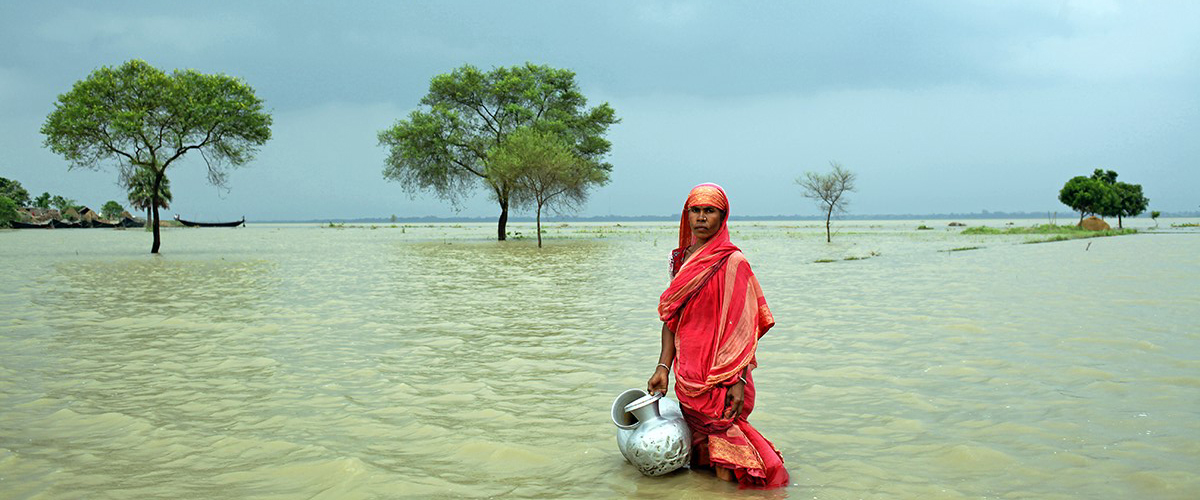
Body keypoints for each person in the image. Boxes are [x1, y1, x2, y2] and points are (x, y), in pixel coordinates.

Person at [646, 183, 789, 489]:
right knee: (701, 455)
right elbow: (672, 317)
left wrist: (737, 379)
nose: (701, 217)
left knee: (726, 445)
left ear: (722, 217)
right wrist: (663, 368)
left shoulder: (734, 262)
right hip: (688, 371)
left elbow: (745, 327)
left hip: (723, 373)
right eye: (695, 210)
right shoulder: (681, 259)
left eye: (709, 211)